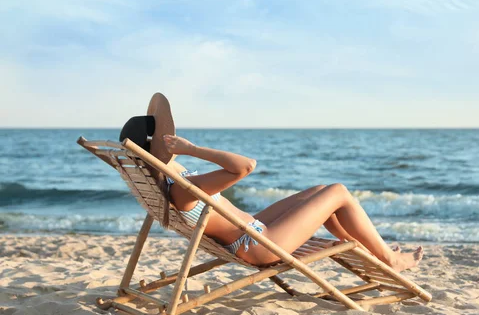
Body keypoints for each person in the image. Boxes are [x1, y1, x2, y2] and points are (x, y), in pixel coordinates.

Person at [120, 93, 424, 272]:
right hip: (259, 245)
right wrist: (192, 149)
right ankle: (389, 259)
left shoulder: (169, 181)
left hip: (254, 229)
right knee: (338, 192)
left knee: (320, 193)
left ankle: (367, 250)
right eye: (163, 137)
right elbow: (245, 166)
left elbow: (170, 164)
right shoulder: (182, 189)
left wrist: (173, 154)